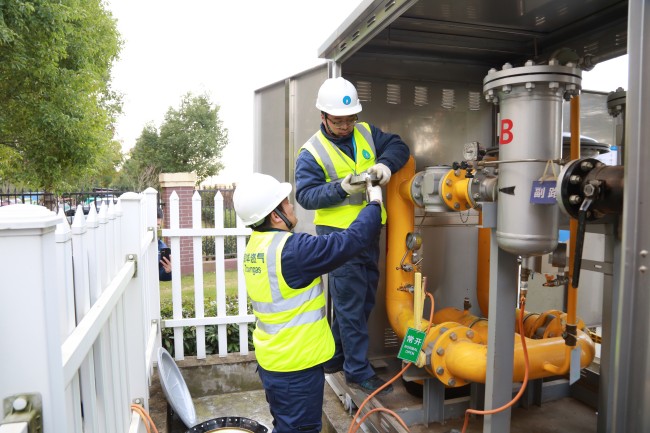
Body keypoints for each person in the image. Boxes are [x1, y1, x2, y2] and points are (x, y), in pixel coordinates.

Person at [234, 172, 383, 433]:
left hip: (274, 363)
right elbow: (350, 241)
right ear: (275, 216)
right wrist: (375, 204)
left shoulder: (256, 247)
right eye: (286, 202)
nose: (292, 206)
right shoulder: (293, 251)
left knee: (286, 425)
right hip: (296, 370)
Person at [294, 76, 410, 395]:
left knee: (361, 298)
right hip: (339, 238)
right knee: (350, 303)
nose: (346, 126)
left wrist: (385, 165)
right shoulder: (312, 152)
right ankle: (357, 371)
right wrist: (341, 188)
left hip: (369, 232)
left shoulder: (366, 132)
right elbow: (306, 196)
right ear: (323, 116)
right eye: (338, 121)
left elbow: (399, 146)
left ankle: (336, 356)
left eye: (350, 119)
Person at [157, 207, 172, 281]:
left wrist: (167, 271)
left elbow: (161, 276)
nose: (156, 228)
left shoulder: (161, 247)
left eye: (158, 225)